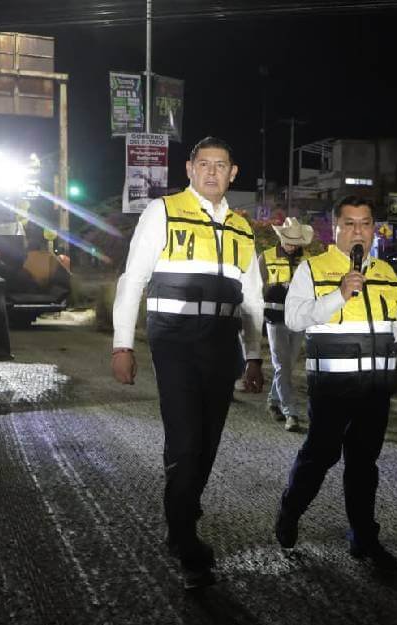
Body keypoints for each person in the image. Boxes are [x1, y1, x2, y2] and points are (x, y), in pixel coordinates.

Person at [111, 136, 264, 589]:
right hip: (174, 340)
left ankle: (183, 512)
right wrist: (122, 345)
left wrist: (254, 356)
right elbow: (133, 279)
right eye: (204, 164)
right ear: (190, 168)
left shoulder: (242, 228)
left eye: (221, 165)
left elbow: (252, 299)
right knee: (185, 440)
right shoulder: (163, 211)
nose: (212, 172)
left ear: (233, 174)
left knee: (207, 442)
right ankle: (184, 541)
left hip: (221, 342)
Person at [274, 195, 397, 571]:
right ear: (335, 228)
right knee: (320, 456)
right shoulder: (313, 269)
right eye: (350, 224)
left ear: (374, 229)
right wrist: (339, 294)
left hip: (374, 390)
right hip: (331, 389)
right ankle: (290, 510)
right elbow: (294, 318)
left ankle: (363, 537)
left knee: (363, 464)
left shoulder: (386, 273)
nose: (359, 232)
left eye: (366, 223)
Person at [258, 217, 312, 433]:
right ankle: (291, 412)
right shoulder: (266, 257)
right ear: (281, 237)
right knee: (282, 366)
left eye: (295, 242)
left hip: (298, 320)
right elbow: (257, 289)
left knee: (287, 366)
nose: (292, 245)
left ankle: (272, 401)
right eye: (289, 240)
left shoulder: (307, 261)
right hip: (275, 319)